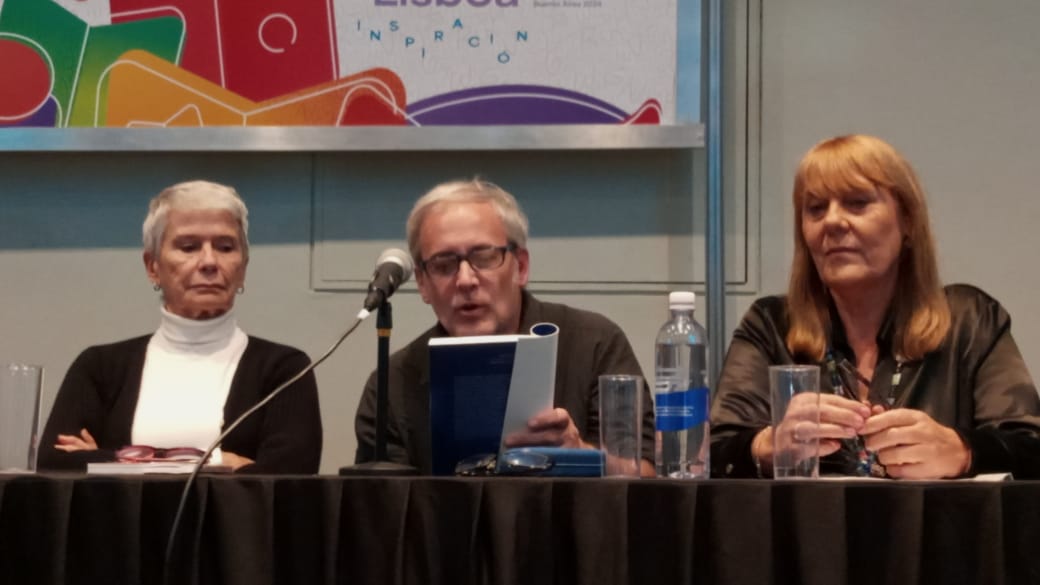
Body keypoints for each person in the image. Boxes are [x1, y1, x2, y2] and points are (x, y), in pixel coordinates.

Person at [711, 134, 1040, 480]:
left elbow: (1030, 447)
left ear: (908, 222)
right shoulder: (771, 325)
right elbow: (713, 455)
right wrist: (766, 446)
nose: (833, 222)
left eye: (856, 203)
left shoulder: (970, 320)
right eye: (816, 208)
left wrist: (963, 451)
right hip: (805, 532)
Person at [353, 178, 655, 475]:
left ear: (521, 267)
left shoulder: (594, 344)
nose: (466, 280)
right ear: (422, 284)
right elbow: (383, 511)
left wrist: (579, 456)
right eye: (444, 265)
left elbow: (644, 474)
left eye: (484, 258)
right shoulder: (392, 385)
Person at [38, 180, 322, 473]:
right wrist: (220, 462)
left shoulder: (285, 369)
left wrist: (112, 458)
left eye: (225, 247)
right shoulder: (100, 368)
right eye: (189, 247)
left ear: (244, 266)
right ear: (153, 266)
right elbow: (54, 462)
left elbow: (293, 472)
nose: (209, 261)